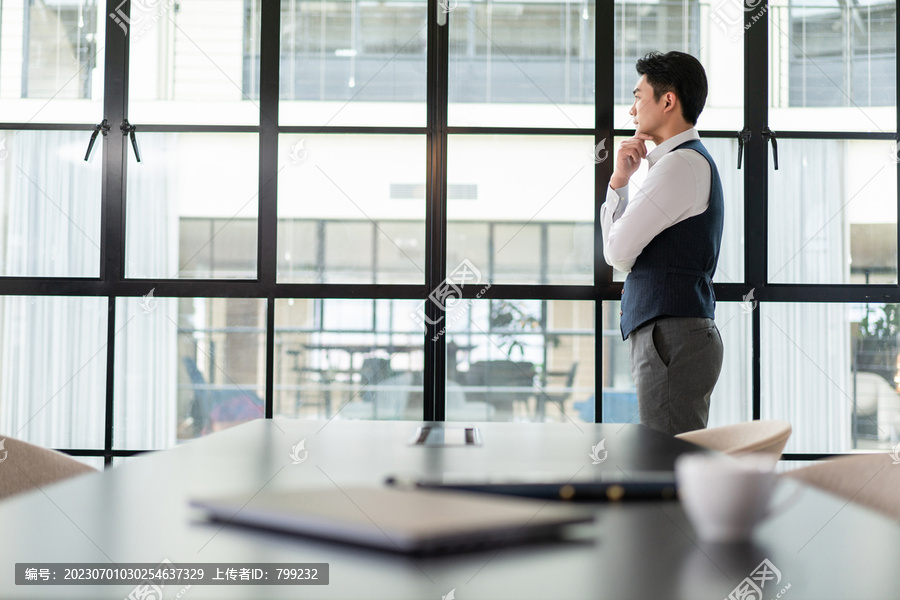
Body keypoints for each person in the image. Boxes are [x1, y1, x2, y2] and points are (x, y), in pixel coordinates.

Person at [600, 51, 724, 436]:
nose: (632, 109)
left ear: (667, 100)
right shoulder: (678, 163)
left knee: (667, 464)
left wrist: (618, 185)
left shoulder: (679, 165)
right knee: (668, 458)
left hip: (672, 336)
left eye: (639, 96)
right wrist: (622, 180)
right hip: (674, 334)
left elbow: (618, 254)